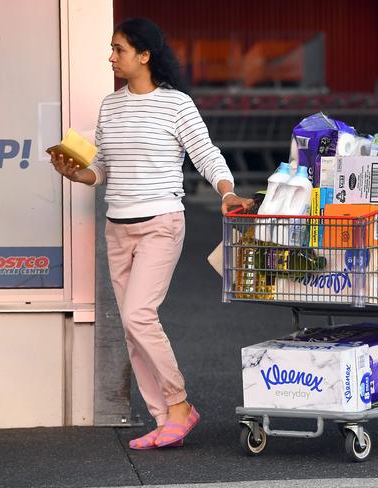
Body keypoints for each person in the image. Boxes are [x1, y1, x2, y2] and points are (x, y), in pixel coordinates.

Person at [49, 18, 253, 450]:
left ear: (144, 55)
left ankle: (179, 405)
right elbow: (102, 168)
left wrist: (227, 191)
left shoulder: (177, 105)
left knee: (139, 315)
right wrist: (76, 174)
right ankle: (164, 419)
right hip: (116, 227)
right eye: (111, 48)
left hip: (161, 222)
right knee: (130, 326)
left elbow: (206, 154)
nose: (111, 57)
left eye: (119, 49)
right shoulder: (111, 105)